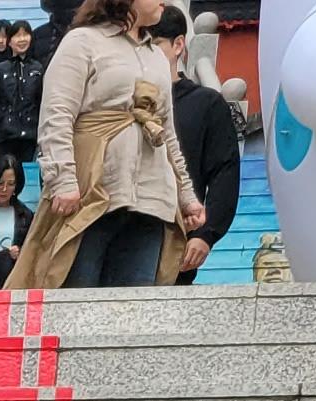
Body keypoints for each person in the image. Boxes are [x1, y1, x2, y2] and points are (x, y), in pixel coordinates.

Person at [20, 0, 206, 288]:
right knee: (76, 295)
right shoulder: (82, 42)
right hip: (92, 194)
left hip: (151, 198)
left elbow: (167, 133)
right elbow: (57, 115)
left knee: (136, 303)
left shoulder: (157, 57)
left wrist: (187, 197)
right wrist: (63, 180)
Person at [154, 6, 239, 275]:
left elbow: (224, 172)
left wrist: (206, 234)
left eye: (155, 44)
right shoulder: (121, 102)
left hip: (181, 237)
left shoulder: (206, 104)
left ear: (178, 45)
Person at [0, 20, 44, 192]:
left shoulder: (38, 69)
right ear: (10, 41)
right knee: (0, 178)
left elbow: (43, 100)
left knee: (26, 182)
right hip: (4, 136)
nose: (22, 39)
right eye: (17, 35)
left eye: (25, 35)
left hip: (29, 137)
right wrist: (2, 119)